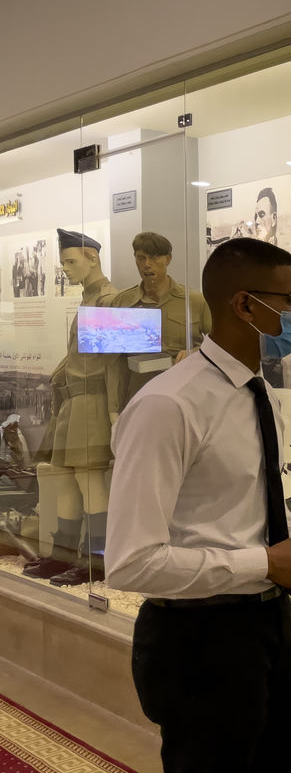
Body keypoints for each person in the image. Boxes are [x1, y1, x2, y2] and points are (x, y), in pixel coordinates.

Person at [105, 237, 291, 773]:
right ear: (245, 305)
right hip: (198, 640)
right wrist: (264, 563)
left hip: (267, 627)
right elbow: (131, 560)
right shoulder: (169, 405)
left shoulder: (256, 393)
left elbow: (256, 498)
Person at [24, 229, 120, 587]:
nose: (65, 268)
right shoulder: (90, 300)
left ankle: (96, 561)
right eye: (63, 262)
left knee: (89, 481)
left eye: (70, 261)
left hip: (92, 401)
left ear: (91, 257)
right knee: (65, 479)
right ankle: (63, 556)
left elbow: (113, 364)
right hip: (72, 402)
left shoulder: (108, 300)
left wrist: (115, 412)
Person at [110, 232, 212, 409]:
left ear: (168, 259)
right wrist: (114, 407)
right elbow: (114, 363)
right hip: (140, 397)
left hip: (185, 397)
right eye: (141, 258)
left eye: (154, 258)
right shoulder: (122, 303)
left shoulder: (194, 301)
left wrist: (195, 352)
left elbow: (219, 344)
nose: (147, 264)